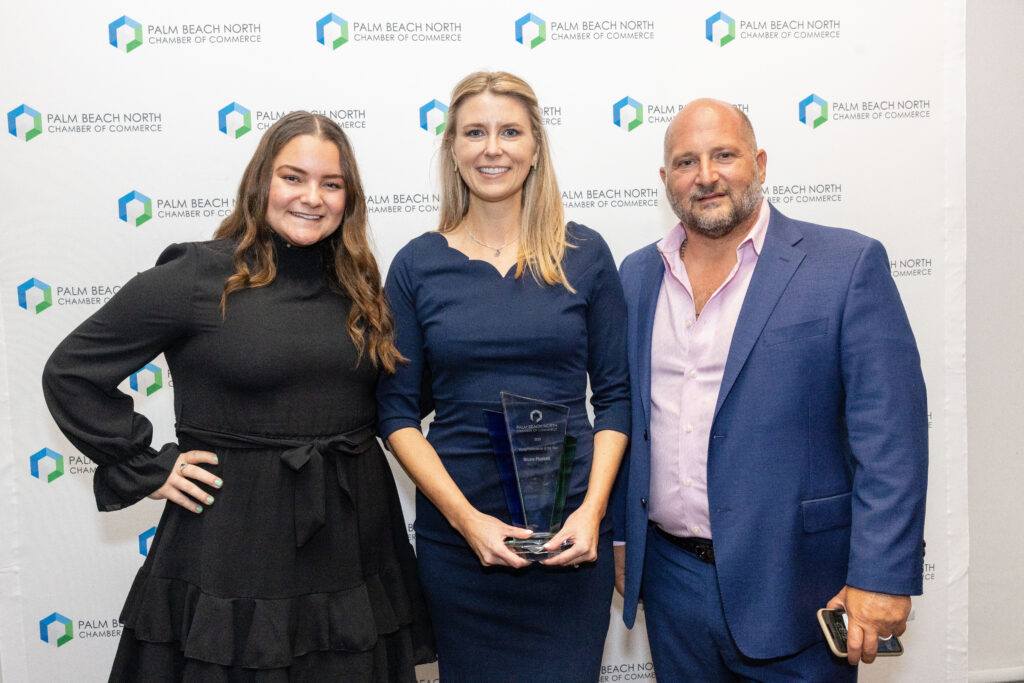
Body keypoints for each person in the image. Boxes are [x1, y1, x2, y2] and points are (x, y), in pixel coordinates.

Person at [42, 111, 433, 682]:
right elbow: (71, 372)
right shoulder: (199, 274)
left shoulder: (359, 282)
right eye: (293, 177)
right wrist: (147, 465)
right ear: (260, 184)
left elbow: (394, 400)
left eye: (332, 183)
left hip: (353, 538)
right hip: (235, 541)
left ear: (349, 198)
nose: (312, 197)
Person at [614, 98, 928, 680]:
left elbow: (892, 438)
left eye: (724, 155)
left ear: (759, 162)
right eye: (686, 162)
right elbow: (626, 418)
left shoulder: (846, 264)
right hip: (671, 582)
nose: (705, 176)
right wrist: (620, 539)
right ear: (665, 180)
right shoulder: (636, 275)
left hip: (801, 585)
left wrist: (882, 574)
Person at [377, 71, 630, 682]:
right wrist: (468, 523)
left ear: (536, 146)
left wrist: (592, 513)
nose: (493, 148)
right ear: (453, 149)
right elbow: (396, 414)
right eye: (476, 132)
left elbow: (618, 399)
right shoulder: (416, 265)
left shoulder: (585, 254)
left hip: (570, 540)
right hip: (460, 547)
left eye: (510, 131)